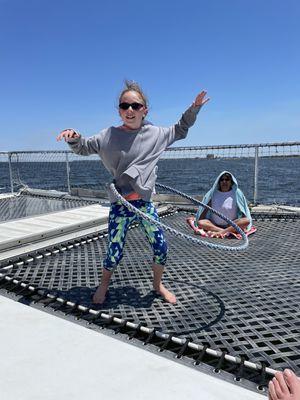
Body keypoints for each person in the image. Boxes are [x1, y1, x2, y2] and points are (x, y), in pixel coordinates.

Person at [56, 81, 209, 304]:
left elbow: (180, 129)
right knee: (114, 251)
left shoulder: (156, 134)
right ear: (119, 110)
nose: (130, 110)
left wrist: (194, 108)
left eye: (135, 106)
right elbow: (84, 147)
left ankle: (157, 286)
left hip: (145, 205)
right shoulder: (108, 135)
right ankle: (103, 285)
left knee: (161, 248)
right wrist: (73, 137)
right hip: (121, 204)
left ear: (144, 110)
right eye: (124, 105)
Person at [191, 171, 253, 238]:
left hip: (231, 224)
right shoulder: (212, 193)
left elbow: (243, 210)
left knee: (246, 221)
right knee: (201, 223)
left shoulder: (237, 193)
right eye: (222, 180)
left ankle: (221, 232)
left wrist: (244, 224)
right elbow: (204, 210)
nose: (224, 182)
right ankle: (224, 231)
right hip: (214, 225)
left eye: (227, 179)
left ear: (231, 182)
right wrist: (199, 221)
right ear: (219, 182)